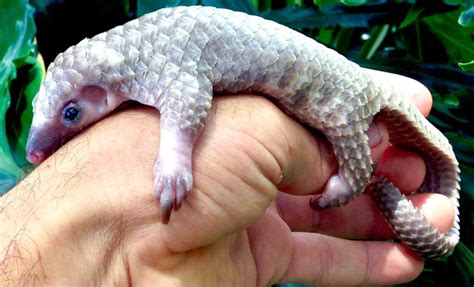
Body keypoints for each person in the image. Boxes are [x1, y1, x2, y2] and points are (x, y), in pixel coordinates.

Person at [0, 70, 455, 286]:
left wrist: (176, 157)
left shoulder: (149, 70)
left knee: (347, 136)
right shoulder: (128, 71)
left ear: (97, 92)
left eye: (72, 115)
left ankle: (357, 176)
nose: (41, 153)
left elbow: (186, 91)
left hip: (327, 91)